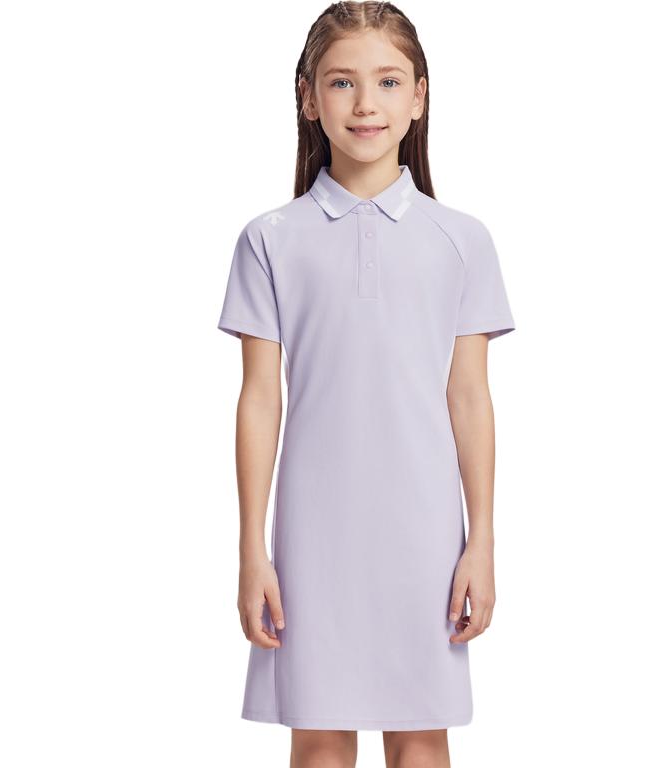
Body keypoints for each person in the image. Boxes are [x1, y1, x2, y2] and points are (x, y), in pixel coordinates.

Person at [217, 2, 516, 765]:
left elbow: (469, 398)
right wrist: (252, 549)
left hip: (425, 533)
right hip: (312, 534)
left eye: (387, 81)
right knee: (320, 737)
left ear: (419, 97)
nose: (365, 103)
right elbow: (260, 399)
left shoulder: (462, 240)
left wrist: (481, 540)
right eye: (342, 81)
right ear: (308, 98)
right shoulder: (269, 241)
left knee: (419, 735)